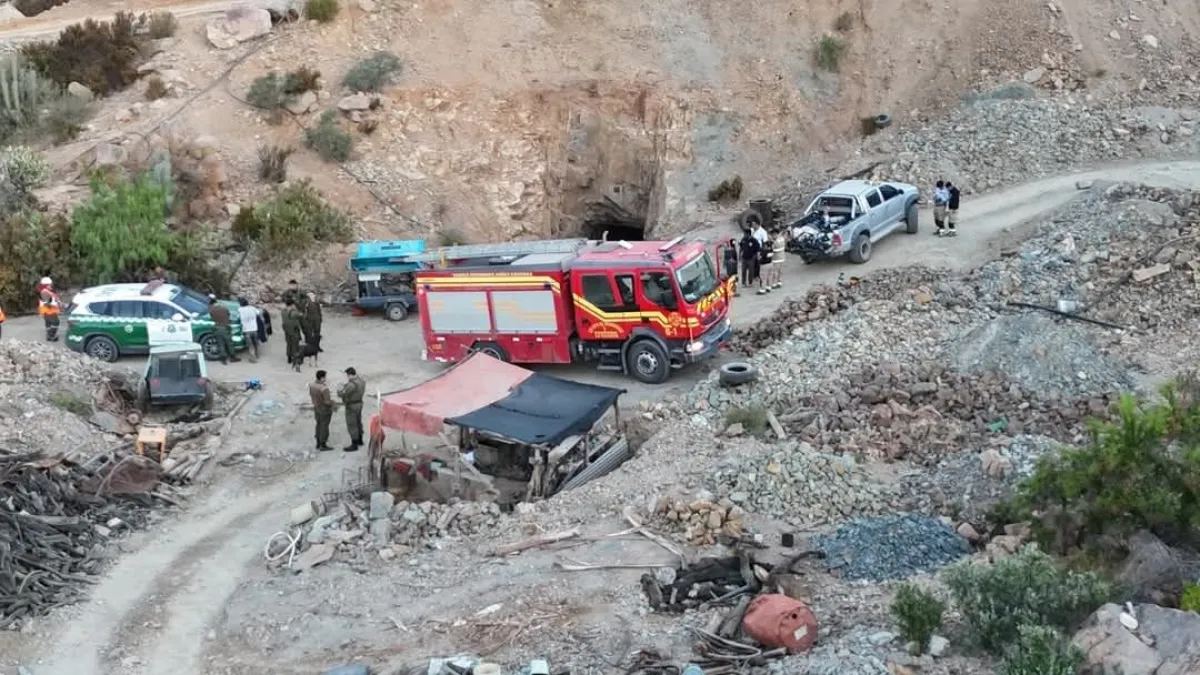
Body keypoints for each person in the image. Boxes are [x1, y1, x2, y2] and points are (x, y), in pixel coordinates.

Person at [338, 366, 366, 452]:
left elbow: (342, 394)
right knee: (358, 422)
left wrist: (339, 389)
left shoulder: (351, 385)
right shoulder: (362, 381)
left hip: (351, 406)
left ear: (350, 375)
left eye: (347, 375)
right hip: (359, 404)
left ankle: (354, 444)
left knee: (352, 425)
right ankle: (360, 440)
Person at [308, 369, 335, 452]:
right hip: (324, 409)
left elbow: (311, 395)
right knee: (324, 426)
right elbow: (327, 401)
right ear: (322, 378)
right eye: (325, 377)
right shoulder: (324, 388)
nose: (326, 378)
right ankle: (323, 444)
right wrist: (333, 403)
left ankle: (318, 443)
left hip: (316, 407)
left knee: (318, 424)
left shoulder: (312, 385)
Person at [207, 298, 239, 364]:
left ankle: (223, 360)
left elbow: (211, 317)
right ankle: (232, 357)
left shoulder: (211, 311)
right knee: (229, 343)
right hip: (225, 328)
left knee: (220, 344)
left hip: (217, 328)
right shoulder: (224, 309)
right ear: (217, 302)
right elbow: (228, 315)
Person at [237, 297, 262, 363]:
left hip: (246, 330)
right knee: (256, 343)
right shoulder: (253, 308)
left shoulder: (240, 309)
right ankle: (257, 355)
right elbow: (258, 313)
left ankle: (253, 359)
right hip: (254, 329)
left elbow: (238, 317)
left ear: (241, 304)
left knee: (250, 345)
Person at [281, 299, 303, 371]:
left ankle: (289, 357)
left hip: (287, 330)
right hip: (294, 330)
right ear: (292, 305)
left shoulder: (283, 311)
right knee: (295, 345)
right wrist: (296, 309)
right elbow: (302, 315)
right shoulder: (294, 312)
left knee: (289, 344)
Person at [37, 277, 61, 342]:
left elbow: (52, 300)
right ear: (46, 285)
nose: (51, 285)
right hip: (49, 311)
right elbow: (47, 303)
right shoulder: (44, 292)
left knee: (49, 323)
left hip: (48, 311)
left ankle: (49, 336)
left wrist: (58, 302)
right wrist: (57, 304)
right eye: (50, 284)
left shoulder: (47, 291)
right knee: (56, 322)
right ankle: (51, 336)